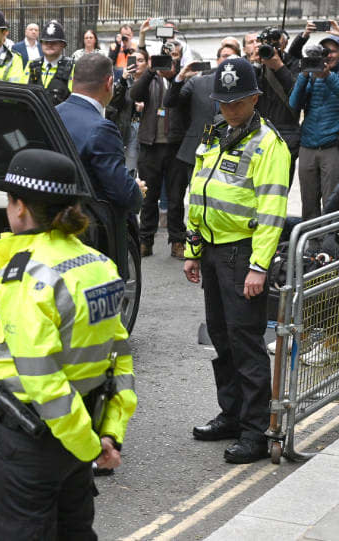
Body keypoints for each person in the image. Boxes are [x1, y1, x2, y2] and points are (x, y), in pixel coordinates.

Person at [0, 148, 136, 540]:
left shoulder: (27, 275)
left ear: (20, 208)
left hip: (34, 438)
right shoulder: (97, 264)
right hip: (83, 424)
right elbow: (120, 357)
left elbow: (42, 379)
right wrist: (107, 434)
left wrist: (87, 446)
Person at [184, 58, 289, 464]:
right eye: (223, 102)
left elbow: (271, 211)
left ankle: (255, 430)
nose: (229, 109)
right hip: (211, 250)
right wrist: (193, 250)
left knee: (246, 343)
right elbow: (197, 193)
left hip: (241, 252)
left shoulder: (269, 145)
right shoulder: (215, 134)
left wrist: (258, 267)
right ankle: (231, 415)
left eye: (237, 102)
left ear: (255, 99)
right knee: (221, 338)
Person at [163, 44, 239, 240]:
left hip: (228, 150)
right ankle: (194, 238)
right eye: (224, 56)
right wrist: (180, 76)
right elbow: (170, 101)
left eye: (233, 58)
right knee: (196, 198)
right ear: (218, 60)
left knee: (221, 199)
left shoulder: (243, 90)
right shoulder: (198, 83)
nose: (228, 61)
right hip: (196, 151)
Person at [57, 53, 144, 213]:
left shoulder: (54, 113)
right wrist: (137, 190)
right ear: (109, 83)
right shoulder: (103, 129)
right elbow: (124, 195)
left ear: (73, 81)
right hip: (88, 225)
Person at [130, 40, 188, 258]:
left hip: (175, 146)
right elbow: (134, 95)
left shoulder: (183, 81)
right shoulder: (151, 80)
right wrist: (150, 71)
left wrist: (176, 77)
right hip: (150, 146)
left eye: (174, 56)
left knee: (175, 198)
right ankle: (145, 240)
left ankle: (177, 241)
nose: (170, 60)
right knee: (148, 197)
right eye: (166, 56)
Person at [289, 34, 339, 221]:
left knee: (331, 203)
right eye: (323, 52)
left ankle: (330, 245)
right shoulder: (310, 77)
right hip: (307, 145)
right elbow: (294, 103)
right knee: (308, 203)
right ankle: (311, 244)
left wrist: (327, 76)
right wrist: (304, 73)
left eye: (332, 51)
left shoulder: (334, 77)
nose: (328, 56)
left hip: (331, 147)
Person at [254, 28, 299, 187]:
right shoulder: (257, 66)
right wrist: (254, 65)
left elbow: (297, 94)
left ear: (284, 43)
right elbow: (250, 98)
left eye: (276, 43)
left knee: (280, 188)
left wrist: (279, 66)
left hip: (286, 135)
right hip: (259, 134)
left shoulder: (294, 62)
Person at [107, 48, 147, 174]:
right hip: (127, 128)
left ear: (147, 64)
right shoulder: (123, 81)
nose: (137, 64)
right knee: (129, 167)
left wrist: (145, 108)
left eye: (141, 60)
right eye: (134, 60)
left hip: (146, 128)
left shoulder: (153, 82)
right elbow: (113, 103)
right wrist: (123, 80)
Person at [20, 20, 74, 105]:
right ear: (41, 44)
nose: (49, 45)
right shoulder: (32, 66)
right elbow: (21, 93)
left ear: (62, 45)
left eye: (54, 42)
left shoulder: (71, 67)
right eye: (46, 42)